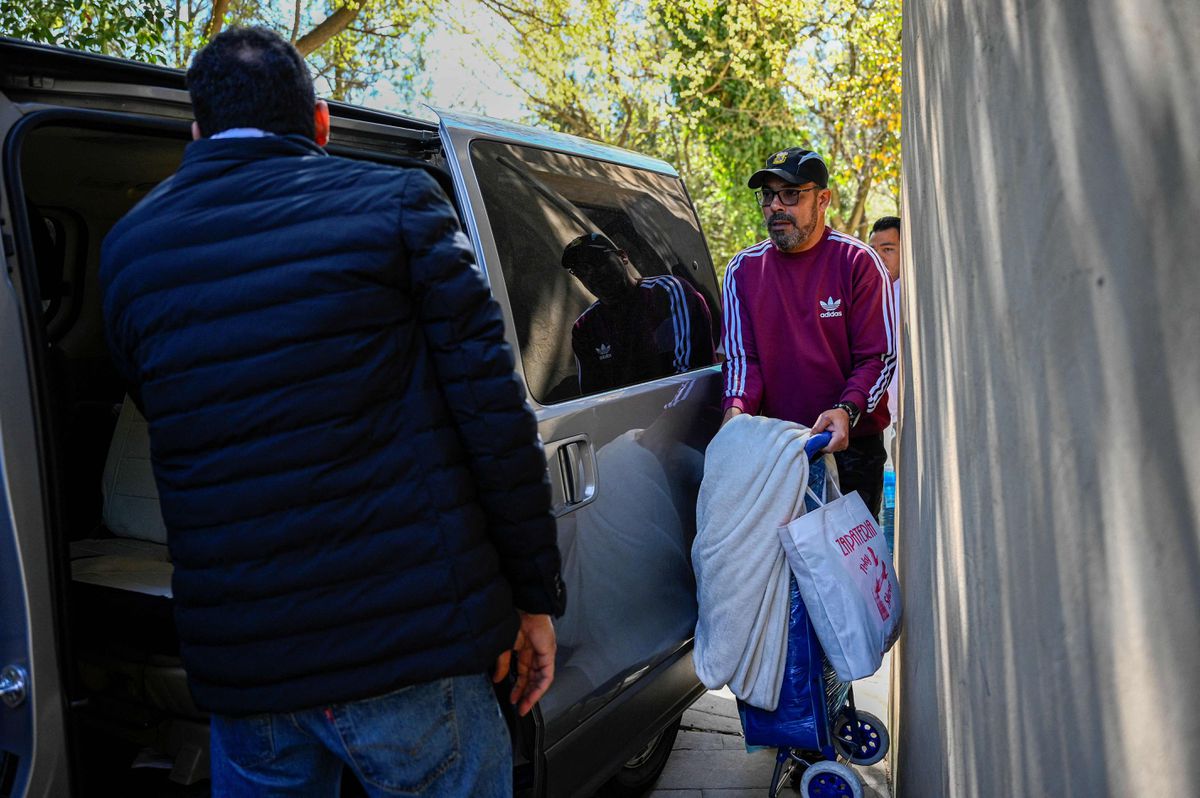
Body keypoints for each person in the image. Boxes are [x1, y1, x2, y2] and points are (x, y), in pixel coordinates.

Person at [99, 27, 565, 797]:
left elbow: (163, 405)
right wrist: (535, 598)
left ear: (197, 130)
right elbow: (493, 419)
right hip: (410, 653)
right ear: (321, 123)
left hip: (247, 670)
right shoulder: (398, 204)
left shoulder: (128, 250)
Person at [721, 148, 897, 517]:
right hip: (779, 448)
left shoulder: (858, 262)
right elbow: (742, 359)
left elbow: (877, 358)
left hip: (851, 447)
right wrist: (735, 412)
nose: (775, 206)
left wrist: (846, 409)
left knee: (848, 555)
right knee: (780, 554)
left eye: (790, 194)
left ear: (822, 199)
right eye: (768, 195)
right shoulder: (742, 270)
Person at [561, 232, 715, 394]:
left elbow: (690, 376)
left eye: (597, 261)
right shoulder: (585, 327)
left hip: (689, 406)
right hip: (627, 411)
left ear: (623, 257)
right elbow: (594, 398)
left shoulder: (666, 292)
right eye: (581, 271)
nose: (591, 274)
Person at [869, 215, 903, 423]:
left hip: (903, 414)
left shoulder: (910, 297)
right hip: (873, 413)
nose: (878, 257)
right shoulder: (863, 296)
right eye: (873, 250)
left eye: (888, 249)